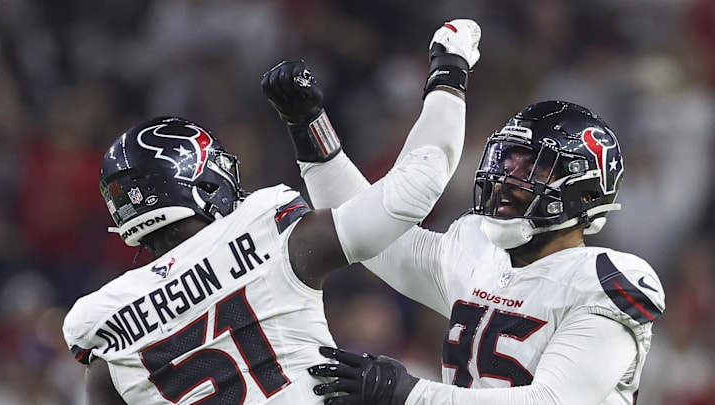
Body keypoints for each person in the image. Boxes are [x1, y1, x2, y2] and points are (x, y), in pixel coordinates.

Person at [60, 19, 482, 404]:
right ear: (204, 183)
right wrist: (450, 64)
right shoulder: (268, 230)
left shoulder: (105, 333)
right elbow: (415, 188)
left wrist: (307, 124)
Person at [266, 52, 666, 403]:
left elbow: (551, 400)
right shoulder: (478, 251)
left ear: (585, 190)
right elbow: (370, 235)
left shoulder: (604, 280)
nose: (510, 175)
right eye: (508, 159)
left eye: (534, 165)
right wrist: (309, 128)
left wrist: (407, 393)